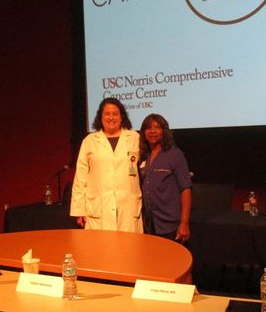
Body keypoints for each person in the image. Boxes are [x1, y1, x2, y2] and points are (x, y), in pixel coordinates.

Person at [70, 97, 143, 232]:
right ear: (100, 116)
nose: (111, 117)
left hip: (128, 207)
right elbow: (81, 177)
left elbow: (145, 165)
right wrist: (79, 209)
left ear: (122, 116)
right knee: (101, 250)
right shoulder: (90, 141)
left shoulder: (134, 138)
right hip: (99, 207)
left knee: (130, 250)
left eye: (115, 114)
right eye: (107, 113)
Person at [139, 114, 191, 243]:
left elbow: (186, 189)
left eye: (157, 127)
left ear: (164, 131)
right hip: (150, 224)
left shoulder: (175, 154)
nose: (152, 131)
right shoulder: (144, 156)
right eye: (148, 128)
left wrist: (184, 223)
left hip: (171, 225)